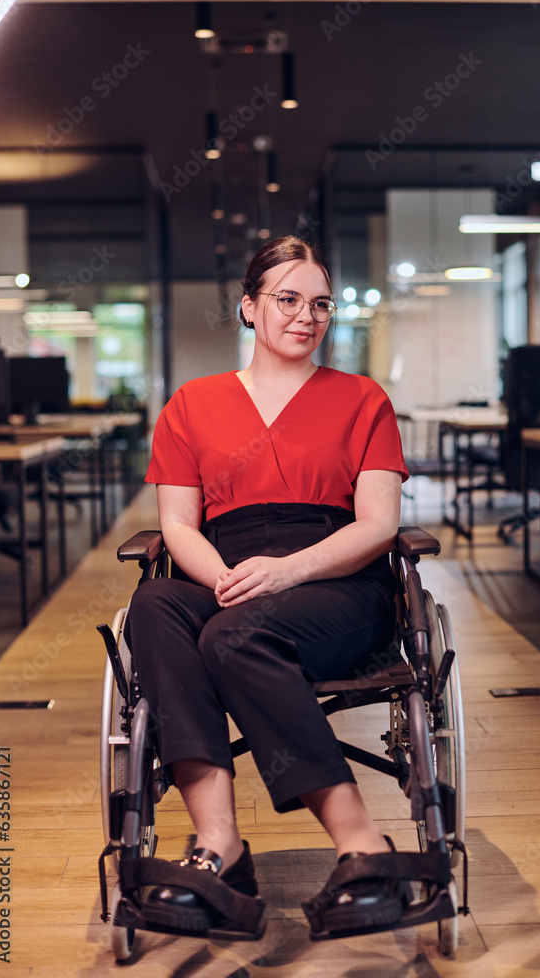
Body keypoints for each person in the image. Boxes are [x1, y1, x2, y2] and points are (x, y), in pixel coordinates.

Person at [124, 235, 412, 940]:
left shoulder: (360, 399)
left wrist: (288, 570)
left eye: (319, 304)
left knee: (234, 631)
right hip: (231, 569)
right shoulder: (193, 404)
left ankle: (361, 841)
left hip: (336, 580)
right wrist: (224, 578)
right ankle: (218, 844)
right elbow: (177, 526)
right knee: (156, 602)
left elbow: (377, 525)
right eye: (286, 300)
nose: (304, 316)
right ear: (248, 307)